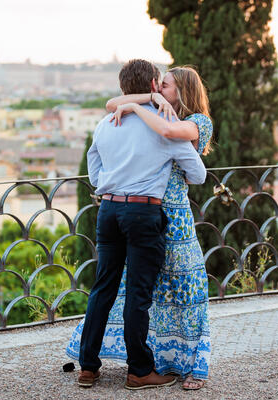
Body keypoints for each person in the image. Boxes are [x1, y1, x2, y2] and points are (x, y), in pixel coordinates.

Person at [67, 65, 213, 390]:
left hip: (108, 209)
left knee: (103, 287)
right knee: (138, 292)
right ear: (151, 85)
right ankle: (139, 371)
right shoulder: (164, 126)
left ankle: (88, 367)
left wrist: (113, 183)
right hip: (144, 213)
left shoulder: (106, 123)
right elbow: (198, 175)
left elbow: (94, 172)